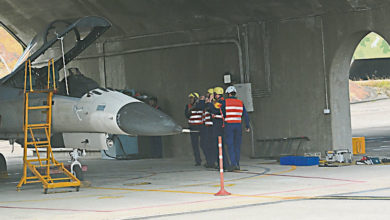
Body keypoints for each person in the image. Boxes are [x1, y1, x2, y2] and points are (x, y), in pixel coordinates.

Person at [221, 86, 250, 171]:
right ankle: (237, 163)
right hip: (238, 125)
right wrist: (247, 126)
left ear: (229, 94)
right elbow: (245, 115)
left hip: (229, 125)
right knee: (237, 145)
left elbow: (218, 110)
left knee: (230, 145)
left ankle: (233, 164)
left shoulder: (225, 102)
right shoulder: (240, 102)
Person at [209, 86, 230, 170]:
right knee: (219, 147)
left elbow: (214, 110)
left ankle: (224, 165)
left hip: (219, 126)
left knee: (220, 146)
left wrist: (210, 102)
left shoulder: (220, 103)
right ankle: (221, 164)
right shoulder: (220, 102)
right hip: (219, 126)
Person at [185, 92, 205, 166]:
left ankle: (208, 160)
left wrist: (196, 106)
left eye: (192, 98)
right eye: (190, 98)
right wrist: (190, 110)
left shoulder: (200, 105)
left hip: (201, 127)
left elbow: (203, 109)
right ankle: (198, 160)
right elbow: (187, 115)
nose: (190, 100)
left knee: (203, 144)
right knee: (194, 145)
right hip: (193, 127)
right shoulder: (188, 106)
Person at [199, 88, 216, 168]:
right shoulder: (206, 104)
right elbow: (200, 107)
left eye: (208, 95)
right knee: (203, 144)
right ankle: (209, 160)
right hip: (205, 127)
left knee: (211, 145)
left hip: (211, 127)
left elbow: (212, 110)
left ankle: (212, 161)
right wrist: (202, 101)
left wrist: (208, 102)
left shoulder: (213, 104)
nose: (206, 97)